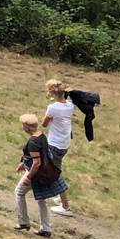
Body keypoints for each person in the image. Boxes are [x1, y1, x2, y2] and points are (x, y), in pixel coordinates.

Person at [14, 111, 65, 237]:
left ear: (27, 127)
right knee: (41, 199)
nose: (22, 127)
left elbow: (36, 162)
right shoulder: (41, 136)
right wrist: (23, 162)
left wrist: (28, 177)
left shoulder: (32, 142)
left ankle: (23, 222)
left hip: (36, 174)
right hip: (44, 174)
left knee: (19, 192)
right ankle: (46, 229)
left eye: (23, 125)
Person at [42, 79, 76, 216]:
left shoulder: (53, 107)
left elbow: (44, 124)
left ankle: (65, 205)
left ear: (52, 92)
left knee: (56, 173)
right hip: (64, 143)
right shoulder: (70, 105)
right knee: (55, 168)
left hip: (55, 144)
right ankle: (58, 195)